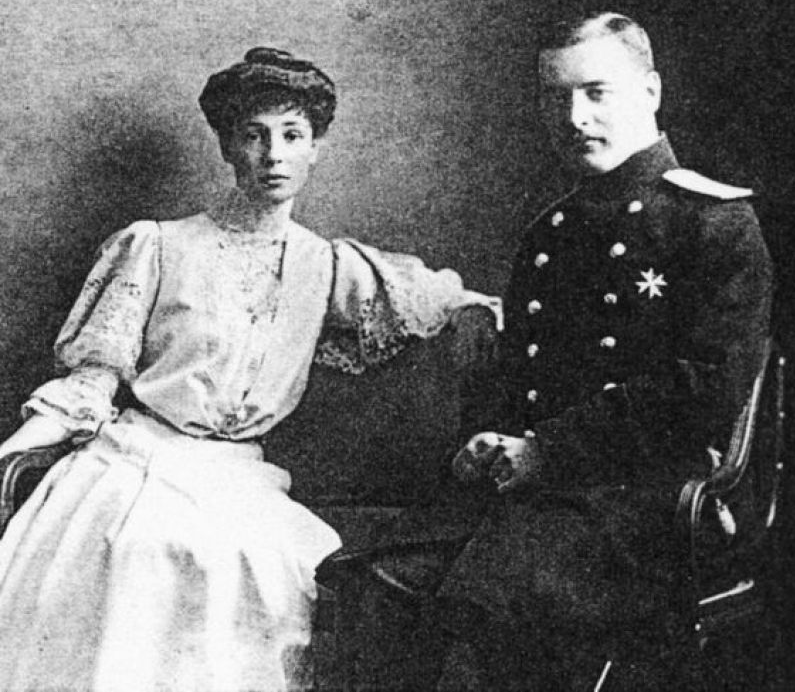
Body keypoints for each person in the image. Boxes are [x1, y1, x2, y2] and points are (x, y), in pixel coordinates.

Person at [0, 47, 499, 692]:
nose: (274, 155)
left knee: (290, 569)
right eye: (254, 135)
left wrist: (491, 314)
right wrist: (15, 449)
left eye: (292, 135)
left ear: (316, 149)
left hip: (241, 474)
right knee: (151, 553)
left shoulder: (329, 265)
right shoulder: (159, 245)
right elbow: (93, 377)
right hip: (140, 459)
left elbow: (438, 299)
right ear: (227, 147)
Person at [413, 11, 772, 690]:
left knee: (481, 605)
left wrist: (547, 451)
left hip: (651, 499)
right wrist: (490, 438)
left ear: (651, 91)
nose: (574, 117)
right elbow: (519, 375)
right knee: (374, 579)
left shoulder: (715, 224)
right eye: (556, 97)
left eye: (596, 92)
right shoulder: (550, 231)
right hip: (543, 491)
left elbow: (706, 392)